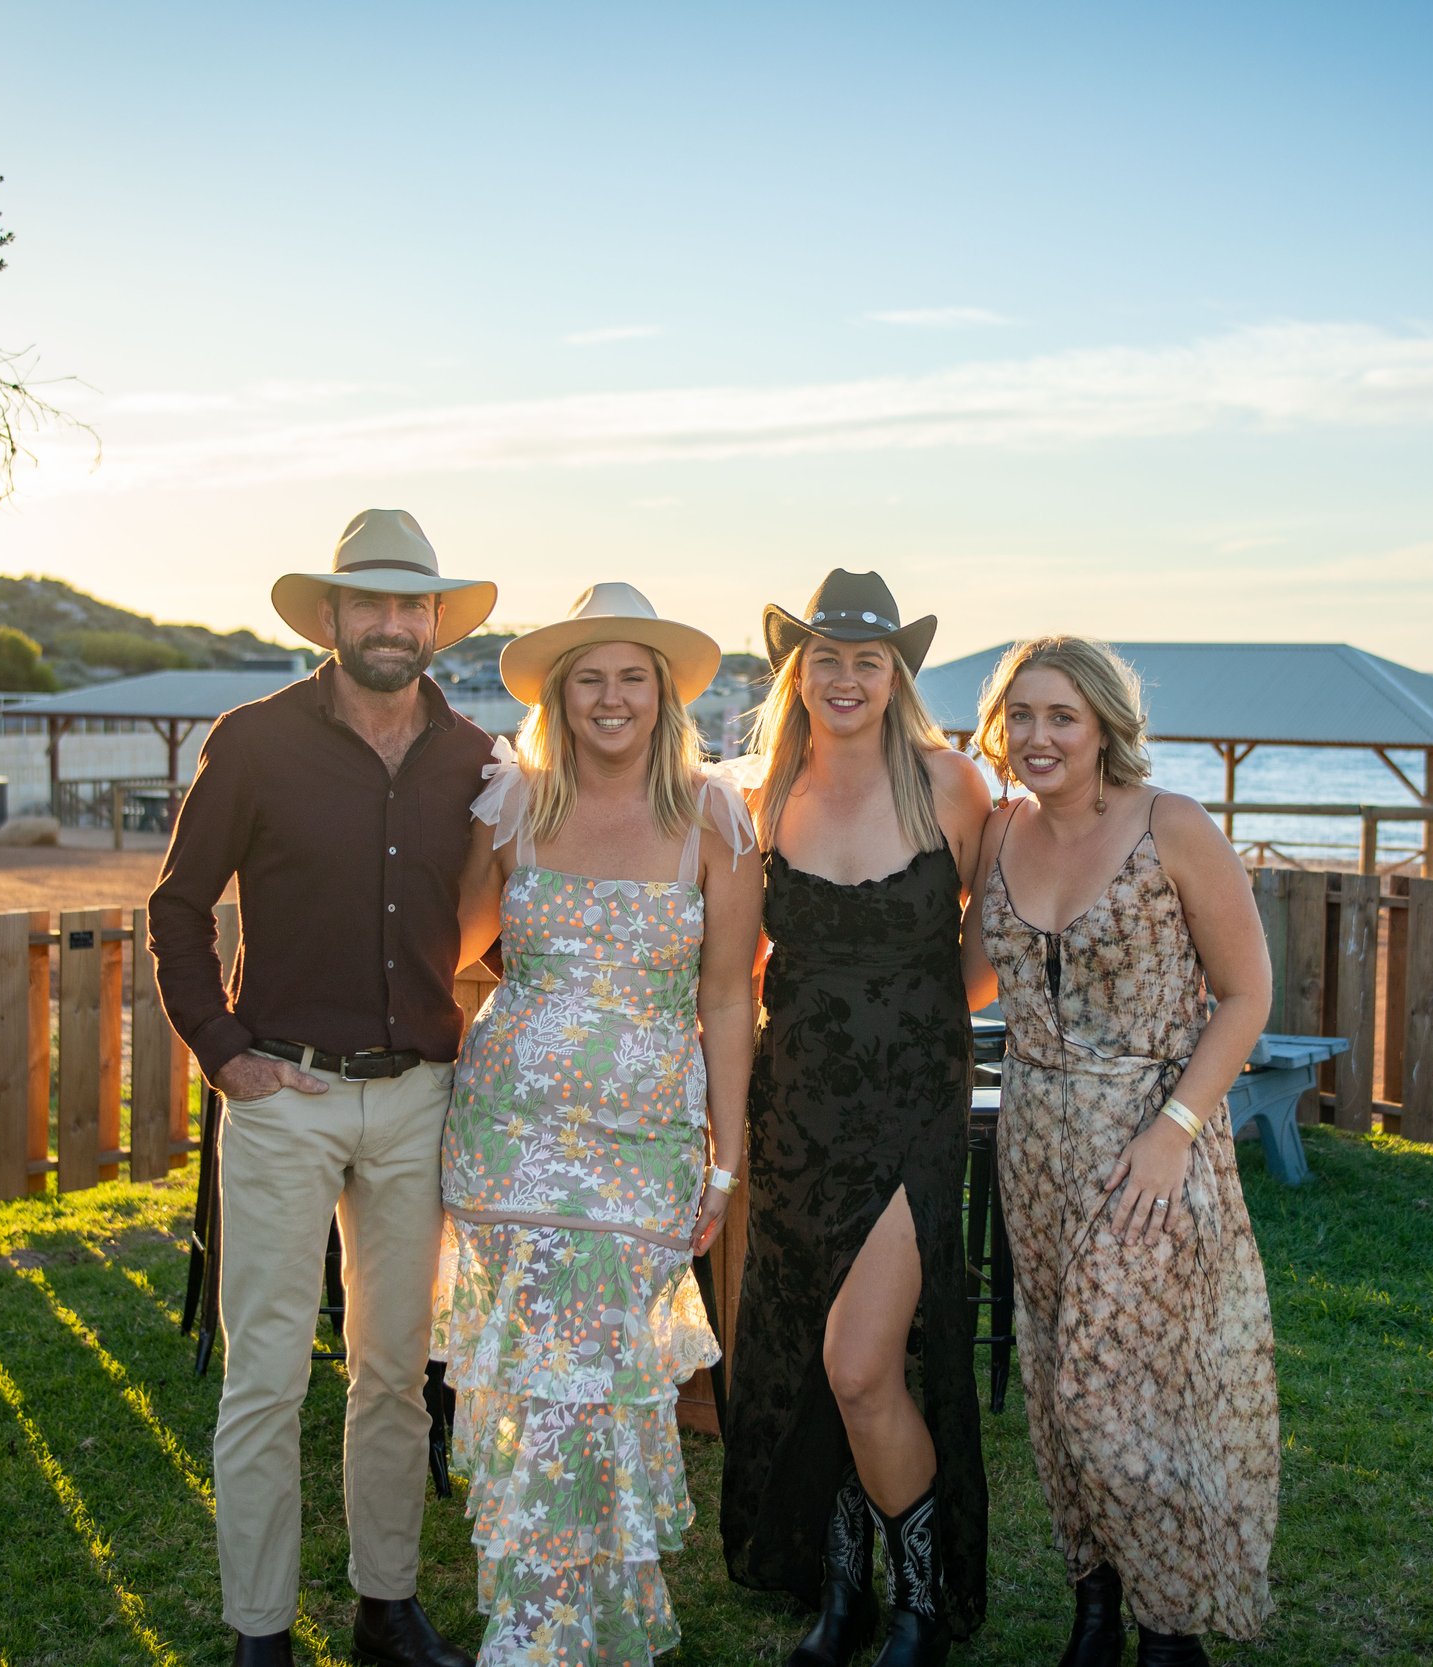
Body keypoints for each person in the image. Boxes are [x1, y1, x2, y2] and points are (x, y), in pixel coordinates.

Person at [148, 509, 493, 1667]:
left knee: (397, 1367)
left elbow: (503, 922)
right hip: (284, 1092)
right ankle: (259, 1631)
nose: (394, 623)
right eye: (372, 603)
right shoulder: (253, 740)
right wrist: (221, 1046)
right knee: (267, 1370)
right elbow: (177, 908)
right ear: (333, 615)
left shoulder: (476, 758)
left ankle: (384, 1606)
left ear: (436, 621)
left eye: (413, 604)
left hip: (419, 1099)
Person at [439, 583, 761, 1666]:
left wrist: (726, 1163)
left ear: (662, 694)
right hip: (508, 1135)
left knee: (602, 1377)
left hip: (642, 1148)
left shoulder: (715, 816)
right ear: (560, 696)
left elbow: (726, 997)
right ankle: (536, 1620)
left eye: (632, 677)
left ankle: (566, 1624)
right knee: (534, 1376)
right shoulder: (512, 803)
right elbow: (449, 944)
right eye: (590, 679)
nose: (611, 698)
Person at [961, 635, 1278, 1667]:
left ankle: (1167, 1626)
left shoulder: (1168, 824)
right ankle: (1092, 1599)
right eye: (1023, 716)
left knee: (1118, 1391)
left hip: (1148, 1150)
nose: (1040, 735)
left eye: (1062, 715)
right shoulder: (1000, 830)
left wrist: (1172, 1132)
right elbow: (965, 981)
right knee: (1057, 1380)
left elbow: (1245, 994)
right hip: (1034, 1145)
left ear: (1102, 724)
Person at [720, 571, 992, 1667]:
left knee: (861, 1360)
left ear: (897, 674)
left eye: (866, 659)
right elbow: (734, 972)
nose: (844, 676)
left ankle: (921, 1600)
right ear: (797, 670)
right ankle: (845, 1593)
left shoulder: (949, 784)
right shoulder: (758, 793)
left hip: (912, 1113)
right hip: (795, 1113)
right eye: (824, 656)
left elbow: (978, 944)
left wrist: (917, 1020)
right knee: (815, 1354)